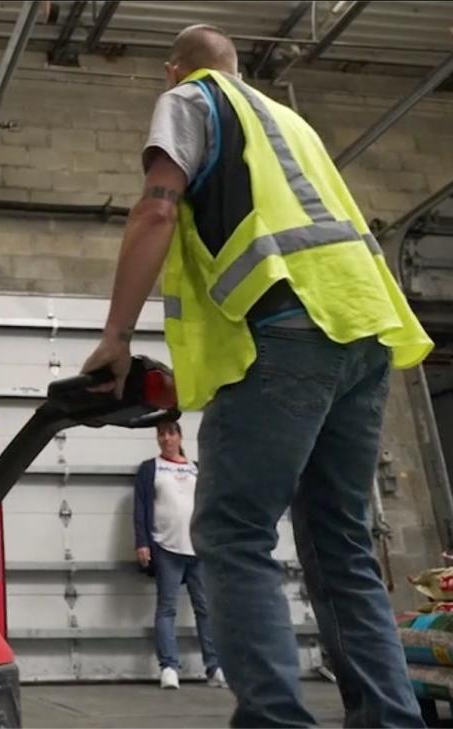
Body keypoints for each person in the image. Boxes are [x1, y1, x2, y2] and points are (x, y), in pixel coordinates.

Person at [82, 23, 433, 728]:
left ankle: (273, 719)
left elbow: (157, 207)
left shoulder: (191, 98)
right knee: (340, 544)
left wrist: (115, 336)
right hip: (363, 332)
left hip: (288, 332)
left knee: (234, 531)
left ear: (176, 69)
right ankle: (392, 720)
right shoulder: (291, 123)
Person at [134, 420, 225, 690]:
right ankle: (169, 667)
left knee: (206, 609)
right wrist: (142, 542)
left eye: (170, 433)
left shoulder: (195, 468)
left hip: (197, 548)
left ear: (179, 436)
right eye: (160, 434)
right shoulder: (150, 469)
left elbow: (210, 503)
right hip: (166, 548)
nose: (165, 438)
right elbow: (140, 506)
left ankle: (215, 666)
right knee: (167, 608)